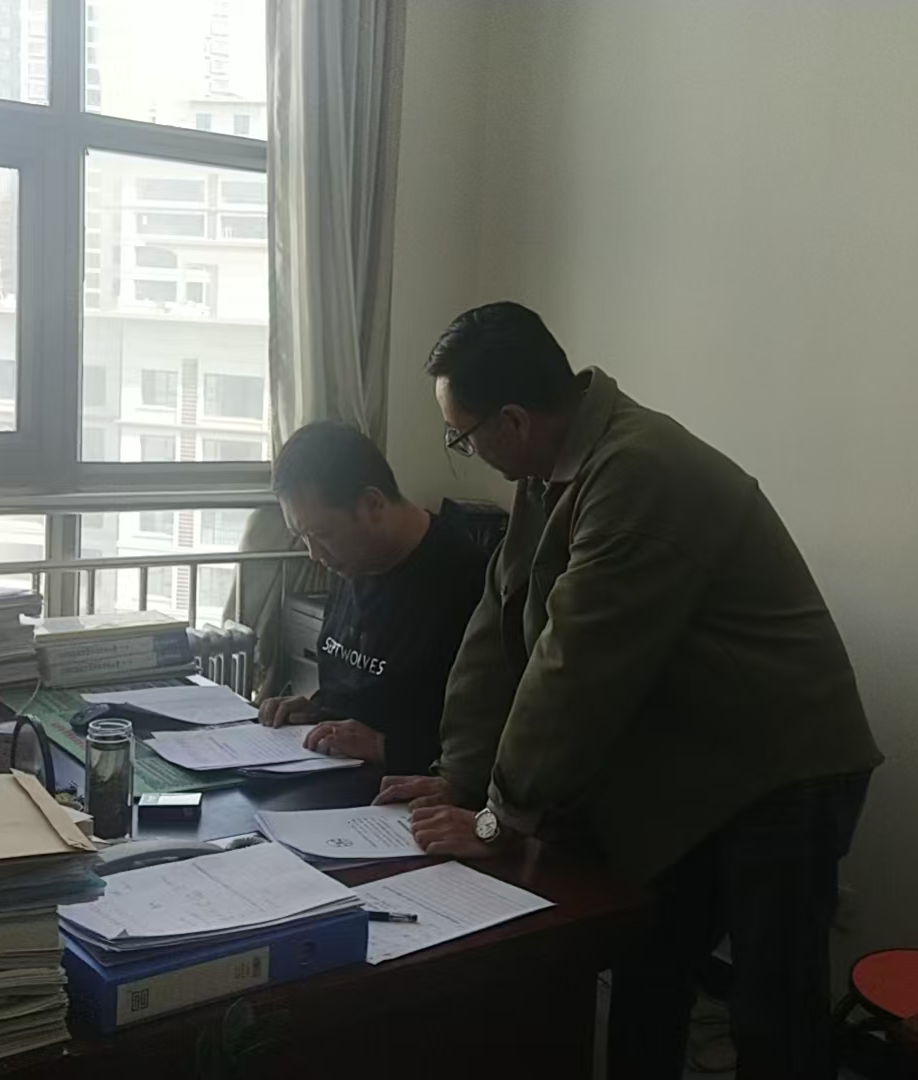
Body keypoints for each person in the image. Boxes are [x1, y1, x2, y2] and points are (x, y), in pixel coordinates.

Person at [375, 302, 883, 1080]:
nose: (465, 452)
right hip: (696, 764)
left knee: (772, 1008)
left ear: (513, 420)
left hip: (782, 766)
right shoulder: (549, 471)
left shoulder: (639, 472)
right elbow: (497, 630)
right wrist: (460, 776)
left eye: (462, 436)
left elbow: (574, 669)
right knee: (647, 964)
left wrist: (497, 820)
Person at [257, 421, 487, 775]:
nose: (314, 554)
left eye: (321, 533)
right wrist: (316, 710)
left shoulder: (467, 582)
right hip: (332, 768)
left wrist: (386, 747)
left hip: (402, 785)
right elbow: (356, 691)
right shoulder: (353, 561)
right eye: (301, 536)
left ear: (372, 504)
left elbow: (486, 740)